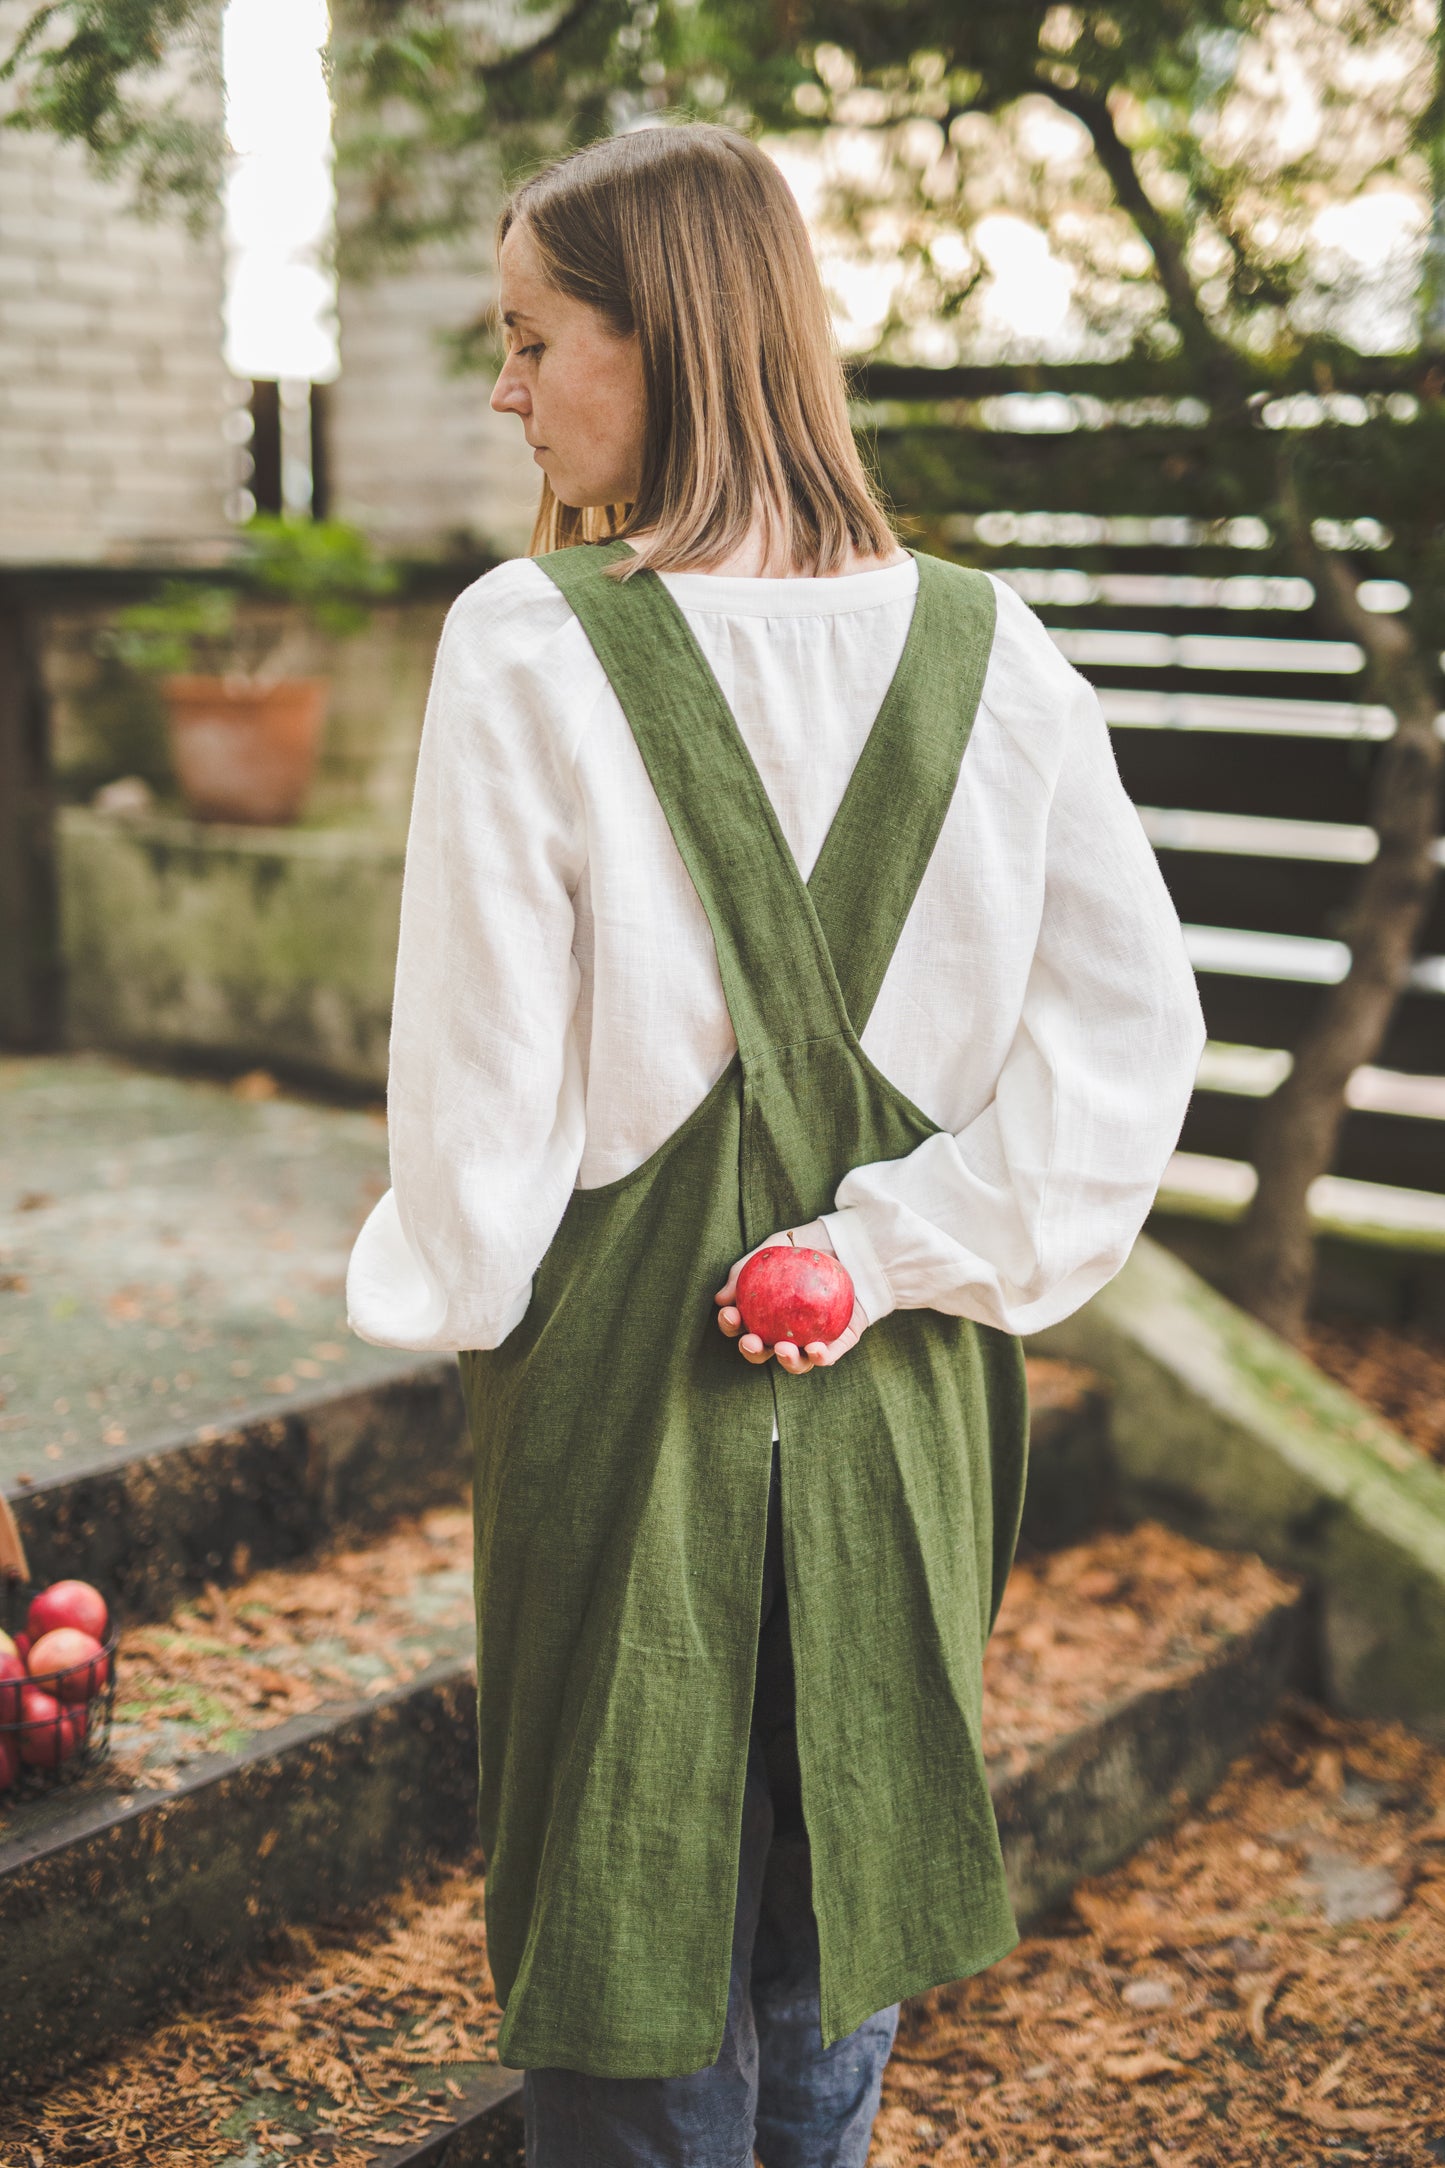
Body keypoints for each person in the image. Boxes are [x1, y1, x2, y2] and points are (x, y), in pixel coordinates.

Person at [346, 120, 1206, 2168]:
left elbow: (478, 1102)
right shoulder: (1002, 660)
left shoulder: (532, 641)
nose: (505, 387)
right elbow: (1133, 1041)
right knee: (835, 1907)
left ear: (670, 343)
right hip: (903, 1380)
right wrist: (899, 1244)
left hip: (621, 1380)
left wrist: (456, 1289)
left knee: (627, 1924)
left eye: (530, 333)